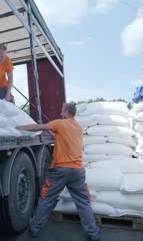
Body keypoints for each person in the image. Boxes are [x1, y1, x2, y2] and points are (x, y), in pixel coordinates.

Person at [16, 103, 101, 241]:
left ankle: (35, 228)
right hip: (78, 171)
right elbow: (65, 140)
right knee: (83, 202)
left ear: (66, 111)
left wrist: (18, 128)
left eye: (62, 111)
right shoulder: (78, 128)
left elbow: (38, 127)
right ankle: (93, 233)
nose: (60, 113)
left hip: (60, 170)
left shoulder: (59, 123)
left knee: (47, 199)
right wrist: (54, 134)